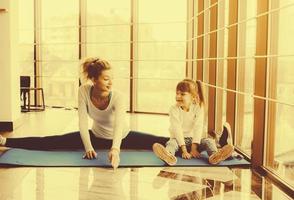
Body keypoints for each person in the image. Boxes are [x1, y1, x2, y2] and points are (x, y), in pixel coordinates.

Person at [0, 58, 169, 169]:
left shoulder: (118, 97)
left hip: (123, 137)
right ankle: (5, 140)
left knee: (160, 141)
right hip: (95, 136)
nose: (111, 82)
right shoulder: (83, 91)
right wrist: (88, 147)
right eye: (106, 78)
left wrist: (115, 149)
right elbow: (82, 123)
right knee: (51, 142)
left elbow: (118, 126)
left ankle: (192, 145)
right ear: (94, 80)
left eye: (112, 78)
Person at [152, 79, 234, 165]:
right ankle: (168, 156)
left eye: (182, 94)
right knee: (171, 143)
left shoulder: (198, 108)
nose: (178, 96)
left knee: (209, 141)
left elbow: (198, 127)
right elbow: (177, 129)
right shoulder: (173, 109)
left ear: (193, 97)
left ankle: (214, 156)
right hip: (178, 142)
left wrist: (194, 148)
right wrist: (184, 150)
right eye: (177, 93)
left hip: (195, 142)